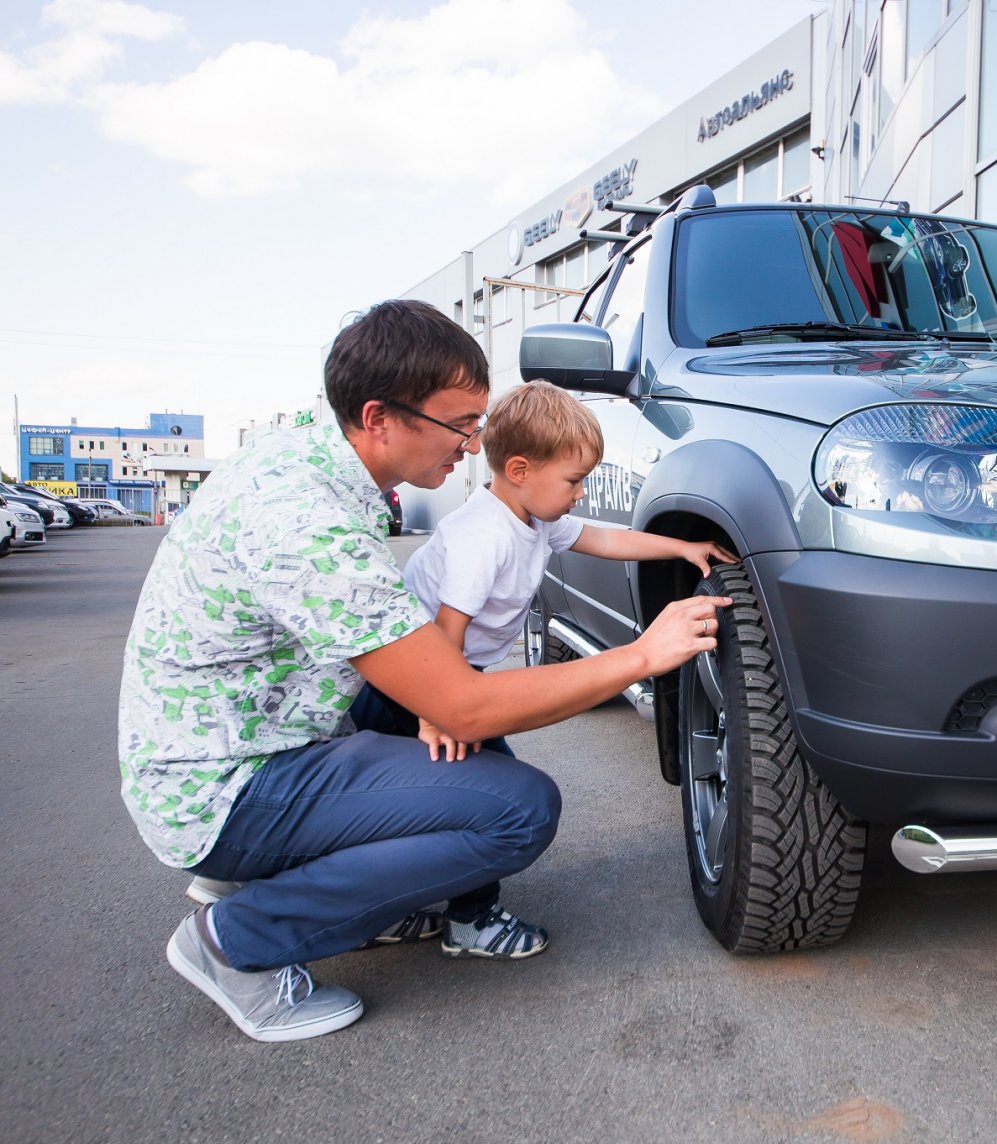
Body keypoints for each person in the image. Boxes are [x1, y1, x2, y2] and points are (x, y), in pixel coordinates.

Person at [118, 300, 730, 1043]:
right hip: (227, 786)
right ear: (380, 417)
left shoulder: (313, 464)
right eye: (461, 424)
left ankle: (336, 891)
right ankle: (237, 939)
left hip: (268, 742)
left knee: (466, 783)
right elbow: (463, 704)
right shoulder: (304, 521)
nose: (473, 447)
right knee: (516, 808)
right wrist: (642, 654)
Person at [340, 380, 737, 954]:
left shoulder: (534, 517)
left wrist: (680, 548)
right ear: (521, 469)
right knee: (480, 793)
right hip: (420, 686)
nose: (579, 494)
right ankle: (469, 920)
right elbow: (444, 632)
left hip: (447, 680)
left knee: (428, 800)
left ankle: (395, 907)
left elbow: (603, 540)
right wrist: (438, 712)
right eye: (574, 481)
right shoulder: (484, 537)